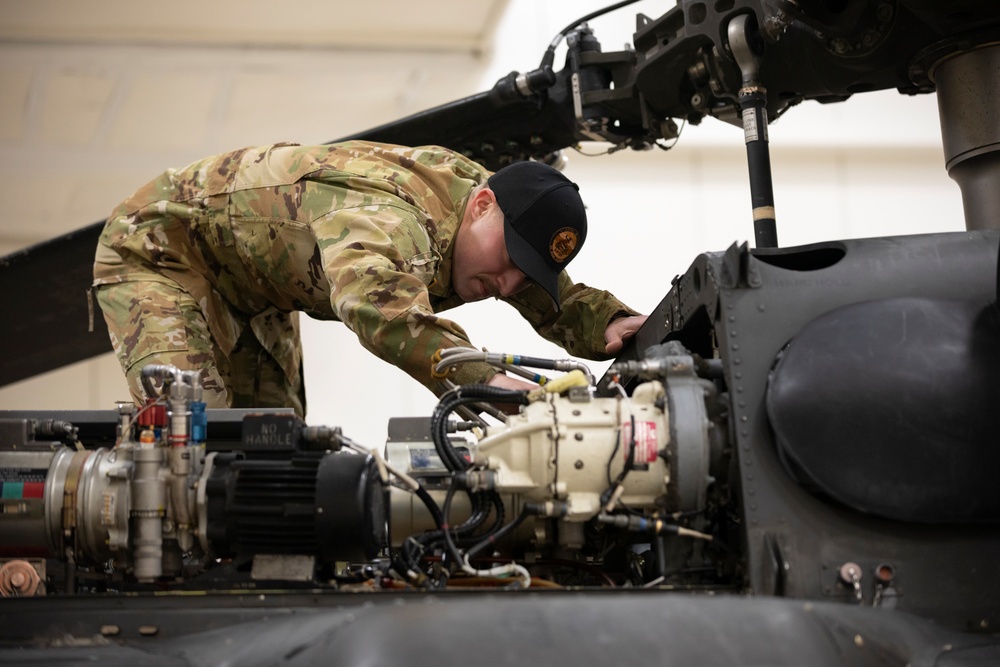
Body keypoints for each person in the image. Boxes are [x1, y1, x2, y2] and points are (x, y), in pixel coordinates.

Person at [92, 141, 646, 415]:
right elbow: (377, 306)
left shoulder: (494, 208)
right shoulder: (393, 220)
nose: (505, 285)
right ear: (480, 205)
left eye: (523, 275)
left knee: (269, 447)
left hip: (255, 291)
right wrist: (484, 379)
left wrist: (616, 324)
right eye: (508, 261)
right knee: (194, 437)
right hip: (161, 251)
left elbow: (548, 288)